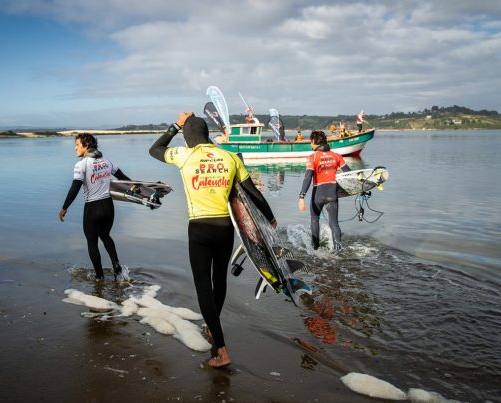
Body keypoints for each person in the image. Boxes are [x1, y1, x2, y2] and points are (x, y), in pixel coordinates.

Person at [149, 112, 276, 368]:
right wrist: (269, 219)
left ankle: (221, 350)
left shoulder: (184, 156)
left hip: (200, 228)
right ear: (207, 134)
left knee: (203, 287)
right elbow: (252, 192)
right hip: (226, 228)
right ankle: (212, 325)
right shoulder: (229, 156)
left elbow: (155, 149)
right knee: (219, 281)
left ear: (188, 137)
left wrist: (175, 125)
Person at [59, 133, 131, 280]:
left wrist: (64, 207)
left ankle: (99, 277)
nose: (75, 148)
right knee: (105, 236)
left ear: (86, 146)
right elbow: (123, 178)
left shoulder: (82, 165)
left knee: (92, 242)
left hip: (93, 208)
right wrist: (137, 189)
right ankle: (116, 266)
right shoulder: (107, 161)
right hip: (108, 207)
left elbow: (75, 188)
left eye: (77, 145)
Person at [298, 130, 351, 252]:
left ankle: (315, 249)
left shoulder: (313, 157)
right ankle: (338, 251)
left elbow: (308, 177)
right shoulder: (337, 156)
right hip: (333, 194)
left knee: (314, 219)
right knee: (334, 224)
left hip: (318, 193)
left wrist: (301, 197)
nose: (310, 145)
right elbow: (349, 174)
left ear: (313, 141)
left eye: (310, 142)